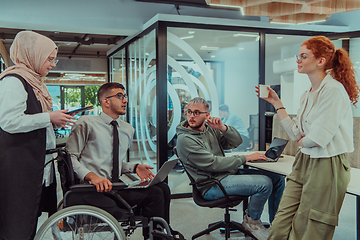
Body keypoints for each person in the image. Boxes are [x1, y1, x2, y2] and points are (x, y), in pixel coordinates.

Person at [258, 36, 359, 240]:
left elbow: (318, 138)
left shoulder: (333, 90)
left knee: (311, 228)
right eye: (299, 56)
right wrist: (277, 103)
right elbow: (296, 133)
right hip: (304, 160)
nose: (298, 60)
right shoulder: (307, 93)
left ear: (320, 61)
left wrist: (303, 140)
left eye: (303, 56)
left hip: (327, 164)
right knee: (281, 222)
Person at [66, 82, 184, 240]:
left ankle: (161, 231)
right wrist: (92, 176)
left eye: (125, 96)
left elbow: (111, 163)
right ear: (105, 101)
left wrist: (134, 167)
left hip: (114, 186)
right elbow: (70, 158)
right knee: (155, 194)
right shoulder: (86, 123)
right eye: (119, 96)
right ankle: (157, 236)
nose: (125, 100)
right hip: (93, 189)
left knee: (163, 188)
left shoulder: (127, 129)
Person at [0, 31, 76, 239]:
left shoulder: (35, 82)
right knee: (16, 225)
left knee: (28, 221)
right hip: (18, 168)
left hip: (33, 164)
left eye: (54, 59)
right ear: (32, 54)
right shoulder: (14, 81)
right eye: (49, 58)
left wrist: (52, 118)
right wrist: (49, 117)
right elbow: (8, 121)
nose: (53, 64)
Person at [175, 97, 285, 240]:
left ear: (207, 115)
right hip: (211, 184)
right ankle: (252, 222)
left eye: (196, 112)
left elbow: (236, 142)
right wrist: (246, 158)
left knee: (277, 178)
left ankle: (276, 226)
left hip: (225, 175)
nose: (191, 116)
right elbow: (213, 163)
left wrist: (223, 128)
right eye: (189, 112)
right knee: (264, 184)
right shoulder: (185, 139)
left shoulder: (209, 129)